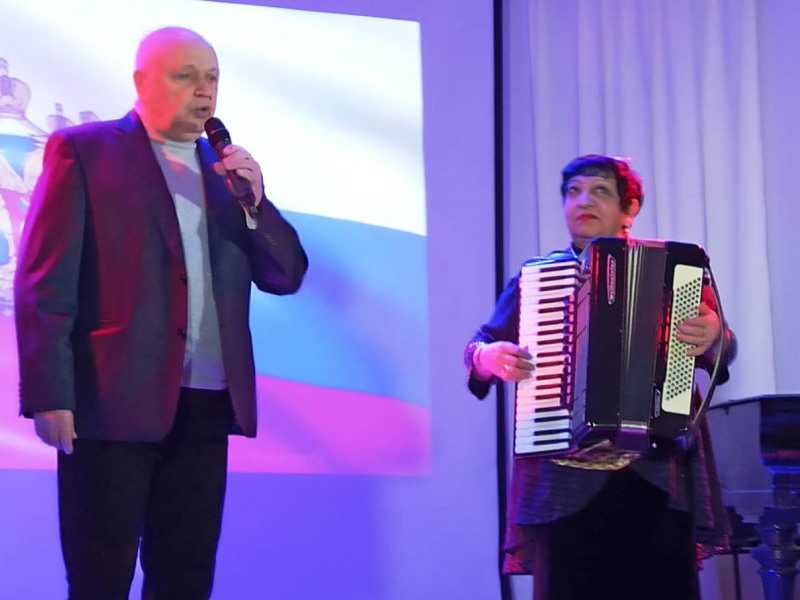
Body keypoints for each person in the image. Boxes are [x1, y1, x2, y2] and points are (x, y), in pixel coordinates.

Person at [14, 27, 308, 599]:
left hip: (205, 406)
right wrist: (50, 394)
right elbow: (44, 282)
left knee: (185, 579)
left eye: (212, 78)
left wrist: (256, 205)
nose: (204, 90)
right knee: (100, 579)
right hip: (111, 403)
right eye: (186, 76)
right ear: (142, 82)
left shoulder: (227, 174)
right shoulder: (85, 151)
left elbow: (286, 275)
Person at [464, 155, 736, 600]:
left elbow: (722, 351)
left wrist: (714, 336)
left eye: (599, 191)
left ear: (630, 209)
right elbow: (479, 347)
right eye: (573, 192)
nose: (583, 201)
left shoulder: (675, 271)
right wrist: (487, 357)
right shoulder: (536, 282)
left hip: (656, 474)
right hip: (563, 483)